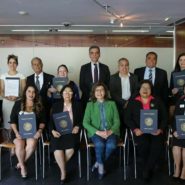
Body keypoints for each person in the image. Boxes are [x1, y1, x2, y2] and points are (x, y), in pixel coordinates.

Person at [125, 80, 167, 182]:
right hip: (140, 132)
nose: (145, 90)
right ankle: (150, 166)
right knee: (144, 144)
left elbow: (165, 117)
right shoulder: (133, 102)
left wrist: (160, 129)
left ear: (151, 90)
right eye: (143, 87)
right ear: (139, 89)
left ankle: (146, 169)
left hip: (155, 131)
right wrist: (135, 129)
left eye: (148, 88)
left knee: (157, 145)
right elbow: (127, 118)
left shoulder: (157, 100)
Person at [83, 82, 120, 180]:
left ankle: (98, 162)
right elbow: (85, 122)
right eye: (97, 90)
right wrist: (98, 132)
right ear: (94, 92)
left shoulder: (112, 104)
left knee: (111, 145)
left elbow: (117, 121)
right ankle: (101, 168)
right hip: (96, 132)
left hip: (111, 131)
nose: (99, 92)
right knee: (99, 144)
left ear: (106, 92)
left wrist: (110, 131)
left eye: (102, 90)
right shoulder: (90, 105)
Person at [9, 84, 45, 178]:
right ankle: (23, 167)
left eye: (33, 92)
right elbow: (12, 120)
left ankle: (21, 163)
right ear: (25, 92)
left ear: (36, 94)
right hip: (18, 132)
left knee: (32, 143)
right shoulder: (18, 103)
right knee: (20, 144)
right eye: (29, 91)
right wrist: (16, 133)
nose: (31, 93)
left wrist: (40, 131)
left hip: (33, 132)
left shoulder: (39, 105)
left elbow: (43, 121)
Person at [50, 84, 82, 184]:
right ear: (62, 94)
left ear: (73, 94)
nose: (67, 94)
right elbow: (50, 121)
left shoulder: (78, 105)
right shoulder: (56, 106)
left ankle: (60, 162)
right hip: (58, 133)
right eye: (65, 92)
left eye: (70, 92)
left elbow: (82, 120)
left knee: (71, 148)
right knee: (57, 147)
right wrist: (52, 131)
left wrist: (78, 126)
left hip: (72, 133)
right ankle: (63, 172)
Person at [110, 57, 138, 134]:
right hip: (118, 106)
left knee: (131, 125)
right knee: (119, 126)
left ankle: (130, 142)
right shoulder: (113, 78)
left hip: (131, 105)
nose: (124, 67)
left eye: (126, 65)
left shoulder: (134, 77)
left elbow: (136, 91)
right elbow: (113, 93)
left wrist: (129, 102)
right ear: (118, 67)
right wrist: (124, 103)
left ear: (129, 66)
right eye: (122, 65)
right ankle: (121, 142)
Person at [26, 57, 54, 131]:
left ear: (42, 64)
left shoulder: (51, 77)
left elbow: (54, 96)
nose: (37, 66)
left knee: (48, 132)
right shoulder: (28, 79)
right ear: (32, 66)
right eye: (34, 64)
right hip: (34, 111)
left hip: (48, 110)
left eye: (38, 64)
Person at [79, 45, 110, 111]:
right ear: (89, 55)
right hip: (87, 99)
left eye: (96, 53)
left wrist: (100, 95)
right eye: (92, 53)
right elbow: (82, 84)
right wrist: (92, 95)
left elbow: (108, 84)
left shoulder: (105, 68)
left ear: (99, 54)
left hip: (102, 99)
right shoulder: (84, 68)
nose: (94, 55)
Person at [0, 54, 26, 129]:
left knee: (18, 123)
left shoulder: (21, 76)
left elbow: (24, 91)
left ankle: (16, 139)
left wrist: (17, 96)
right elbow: (1, 90)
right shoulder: (3, 76)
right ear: (8, 64)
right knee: (7, 123)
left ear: (17, 64)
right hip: (6, 102)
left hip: (18, 102)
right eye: (10, 62)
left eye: (14, 62)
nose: (12, 64)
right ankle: (8, 140)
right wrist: (6, 97)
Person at [171, 84, 185, 182]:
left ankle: (184, 170)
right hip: (179, 130)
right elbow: (174, 118)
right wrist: (174, 130)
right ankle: (177, 168)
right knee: (176, 146)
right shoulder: (180, 100)